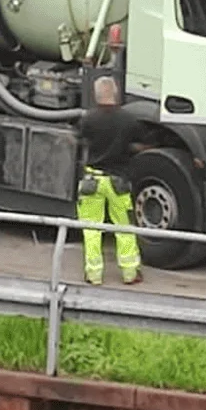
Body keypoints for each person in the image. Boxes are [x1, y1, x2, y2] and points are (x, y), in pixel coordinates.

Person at [77, 75, 146, 285]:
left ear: (95, 95)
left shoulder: (88, 118)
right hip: (118, 182)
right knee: (124, 228)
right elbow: (140, 143)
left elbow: (79, 139)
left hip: (92, 181)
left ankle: (94, 275)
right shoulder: (128, 120)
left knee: (91, 230)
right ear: (115, 94)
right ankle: (130, 273)